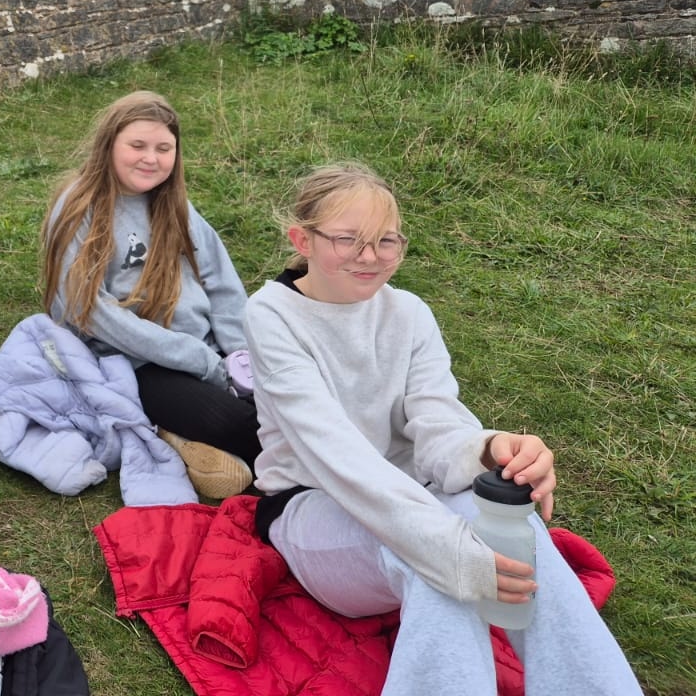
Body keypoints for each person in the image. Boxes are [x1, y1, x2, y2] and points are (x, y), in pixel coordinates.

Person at [247, 162, 641, 695]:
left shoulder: (409, 313)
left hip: (419, 494)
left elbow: (438, 429)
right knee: (434, 567)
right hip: (314, 505)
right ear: (303, 240)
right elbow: (334, 454)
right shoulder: (272, 315)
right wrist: (444, 547)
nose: (369, 257)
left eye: (386, 241)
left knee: (520, 533)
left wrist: (491, 449)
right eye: (348, 239)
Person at [42, 90, 257, 500]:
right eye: (137, 145)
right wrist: (197, 360)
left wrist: (242, 354)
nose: (150, 159)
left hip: (206, 349)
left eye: (163, 148)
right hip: (137, 361)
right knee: (240, 424)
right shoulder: (80, 207)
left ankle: (187, 436)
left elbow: (220, 280)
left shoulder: (174, 203)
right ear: (109, 145)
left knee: (281, 402)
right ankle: (184, 436)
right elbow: (90, 310)